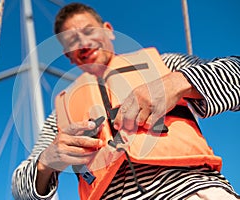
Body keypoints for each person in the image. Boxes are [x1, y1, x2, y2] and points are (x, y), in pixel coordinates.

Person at [12, 2, 240, 200]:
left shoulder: (165, 64)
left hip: (191, 190)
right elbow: (21, 191)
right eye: (72, 40)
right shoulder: (62, 114)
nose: (82, 42)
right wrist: (47, 161)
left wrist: (179, 83)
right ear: (68, 56)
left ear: (108, 31)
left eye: (88, 31)